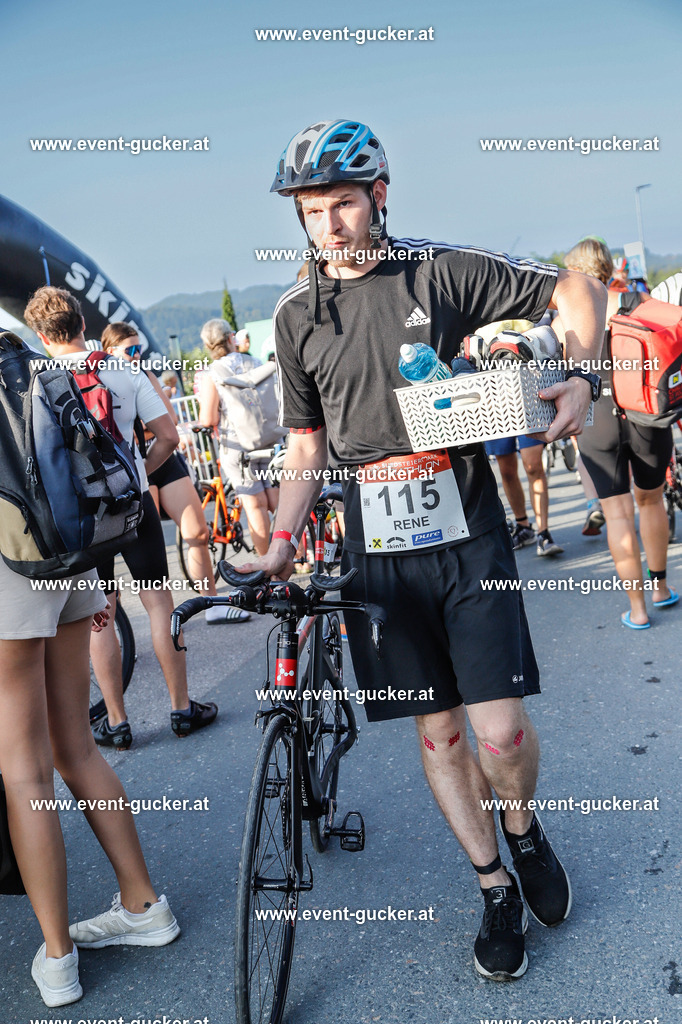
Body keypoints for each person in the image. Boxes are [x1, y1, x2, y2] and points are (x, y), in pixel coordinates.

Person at [240, 119, 606, 981]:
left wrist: (583, 378)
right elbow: (304, 447)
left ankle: (524, 831)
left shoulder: (438, 270)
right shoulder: (297, 315)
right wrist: (282, 542)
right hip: (375, 541)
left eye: (342, 203)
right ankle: (493, 889)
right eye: (310, 209)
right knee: (439, 736)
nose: (328, 224)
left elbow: (581, 289)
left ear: (379, 194)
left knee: (502, 733)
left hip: (467, 524)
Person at [0, 332, 179, 1008]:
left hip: (8, 564)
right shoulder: (22, 355)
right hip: (70, 552)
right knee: (75, 744)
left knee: (24, 771)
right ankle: (144, 904)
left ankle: (58, 955)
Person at [24, 288, 219, 748]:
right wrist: (133, 474)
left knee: (101, 615)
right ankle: (181, 707)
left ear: (39, 334)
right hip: (133, 505)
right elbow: (168, 437)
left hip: (82, 520)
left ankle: (116, 721)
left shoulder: (36, 381)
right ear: (85, 326)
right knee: (158, 604)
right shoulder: (124, 369)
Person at [555, 238, 677, 627]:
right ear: (608, 268)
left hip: (596, 420)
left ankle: (637, 609)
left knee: (618, 514)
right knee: (651, 501)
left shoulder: (567, 317)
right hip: (644, 413)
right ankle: (660, 589)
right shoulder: (638, 305)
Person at [101, 322, 249, 626]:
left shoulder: (146, 375)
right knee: (146, 554)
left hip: (164, 455)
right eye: (129, 350)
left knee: (197, 532)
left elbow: (169, 419)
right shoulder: (102, 379)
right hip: (133, 465)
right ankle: (155, 622)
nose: (136, 355)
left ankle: (212, 603)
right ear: (110, 351)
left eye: (138, 348)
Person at [198, 319, 280, 557]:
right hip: (267, 439)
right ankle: (298, 556)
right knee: (279, 502)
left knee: (255, 507)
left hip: (237, 447)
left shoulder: (212, 373)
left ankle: (266, 562)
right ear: (230, 337)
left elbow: (207, 418)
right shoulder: (254, 362)